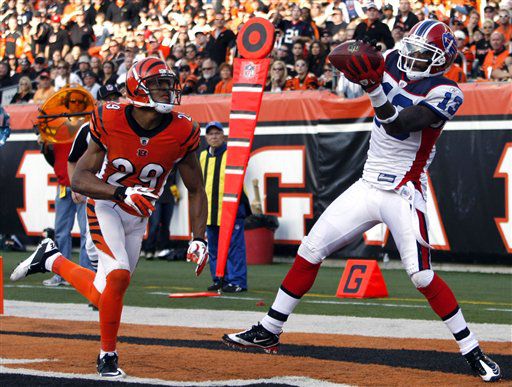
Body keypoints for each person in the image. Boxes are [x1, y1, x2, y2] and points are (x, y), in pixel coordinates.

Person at [222, 20, 502, 383]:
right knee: (310, 249)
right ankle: (269, 329)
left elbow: (401, 124)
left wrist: (374, 89)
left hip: (404, 191)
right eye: (413, 48)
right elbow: (349, 56)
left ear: (440, 63)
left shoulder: (447, 92)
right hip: (368, 184)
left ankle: (472, 350)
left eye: (424, 54)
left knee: (420, 274)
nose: (413, 56)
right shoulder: (390, 59)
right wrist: (353, 54)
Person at [10, 57, 208, 378]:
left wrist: (199, 237)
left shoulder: (183, 129)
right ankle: (107, 355)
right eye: (158, 84)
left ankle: (52, 260)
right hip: (106, 204)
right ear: (137, 88)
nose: (167, 91)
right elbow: (79, 178)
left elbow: (196, 189)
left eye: (169, 84)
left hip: (137, 216)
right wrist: (120, 193)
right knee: (117, 275)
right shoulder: (108, 118)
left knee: (110, 293)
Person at [200, 121, 250, 293]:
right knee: (213, 248)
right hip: (210, 211)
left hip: (231, 210)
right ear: (206, 137)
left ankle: (237, 281)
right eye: (210, 134)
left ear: (223, 135)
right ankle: (219, 278)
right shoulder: (202, 156)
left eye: (217, 133)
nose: (214, 136)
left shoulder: (232, 154)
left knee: (234, 247)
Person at [143, 172, 180, 260]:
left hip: (169, 199)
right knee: (155, 224)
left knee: (166, 226)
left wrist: (177, 195)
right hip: (156, 199)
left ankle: (163, 249)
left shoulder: (173, 166)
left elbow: (173, 183)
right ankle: (149, 250)